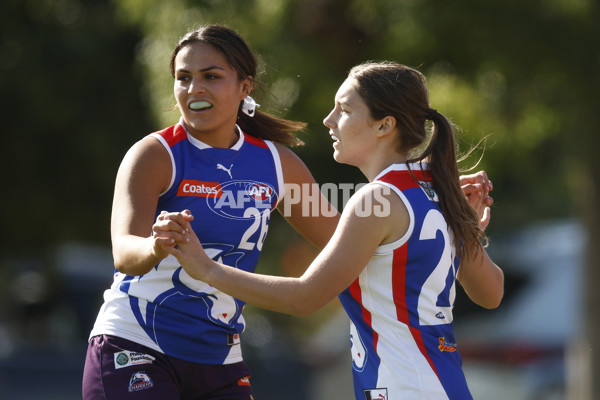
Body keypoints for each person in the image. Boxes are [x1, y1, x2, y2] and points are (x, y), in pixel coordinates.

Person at [160, 61, 504, 400]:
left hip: (405, 388)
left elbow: (305, 296)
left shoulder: (377, 199)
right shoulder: (439, 191)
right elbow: (492, 294)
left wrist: (205, 268)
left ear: (384, 125)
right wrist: (467, 229)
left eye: (344, 109)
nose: (329, 120)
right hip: (444, 385)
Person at [82, 24, 340, 400]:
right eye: (183, 78)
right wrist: (157, 245)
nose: (194, 89)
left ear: (245, 87)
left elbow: (344, 244)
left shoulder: (278, 164)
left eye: (211, 76)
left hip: (219, 358)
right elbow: (124, 253)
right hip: (134, 343)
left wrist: (423, 200)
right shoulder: (154, 154)